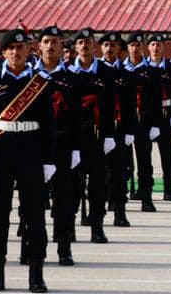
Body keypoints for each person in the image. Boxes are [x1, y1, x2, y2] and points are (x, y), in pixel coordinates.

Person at [0, 28, 56, 292]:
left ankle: (36, 275)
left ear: (27, 50)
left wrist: (49, 159)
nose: (15, 52)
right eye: (11, 48)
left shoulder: (40, 82)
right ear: (4, 52)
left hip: (31, 150)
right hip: (0, 152)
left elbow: (49, 124)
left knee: (34, 214)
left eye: (20, 48)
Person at [32, 26, 81, 266]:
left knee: (64, 199)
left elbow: (77, 117)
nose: (50, 46)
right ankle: (32, 248)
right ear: (39, 46)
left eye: (55, 42)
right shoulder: (29, 75)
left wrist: (76, 148)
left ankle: (64, 247)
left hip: (62, 144)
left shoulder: (71, 78)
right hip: (33, 144)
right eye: (46, 42)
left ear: (62, 46)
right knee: (32, 199)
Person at [66, 28, 116, 243]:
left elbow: (111, 106)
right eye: (80, 43)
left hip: (97, 135)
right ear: (75, 47)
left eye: (88, 42)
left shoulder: (105, 71)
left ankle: (97, 227)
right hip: (73, 135)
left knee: (98, 185)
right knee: (72, 185)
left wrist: (109, 135)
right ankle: (69, 227)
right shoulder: (67, 71)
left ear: (94, 45)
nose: (84, 46)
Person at [98, 32, 137, 227]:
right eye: (106, 45)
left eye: (113, 45)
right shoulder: (95, 71)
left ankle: (119, 211)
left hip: (120, 128)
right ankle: (96, 212)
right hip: (99, 128)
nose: (109, 48)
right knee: (97, 172)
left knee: (120, 172)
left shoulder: (127, 73)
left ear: (119, 49)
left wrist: (131, 130)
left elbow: (131, 104)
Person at [124, 32, 163, 212]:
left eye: (138, 46)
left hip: (144, 121)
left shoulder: (152, 71)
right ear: (128, 48)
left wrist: (156, 124)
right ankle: (118, 196)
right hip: (124, 122)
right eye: (132, 45)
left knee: (144, 161)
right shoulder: (121, 69)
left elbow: (157, 99)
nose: (135, 49)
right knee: (121, 161)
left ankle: (146, 197)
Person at [147, 34, 171, 202]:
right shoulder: (144, 66)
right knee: (145, 154)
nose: (156, 48)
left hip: (165, 115)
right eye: (153, 44)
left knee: (166, 153)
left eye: (159, 45)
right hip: (147, 116)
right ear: (148, 47)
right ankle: (146, 187)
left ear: (163, 47)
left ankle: (168, 188)